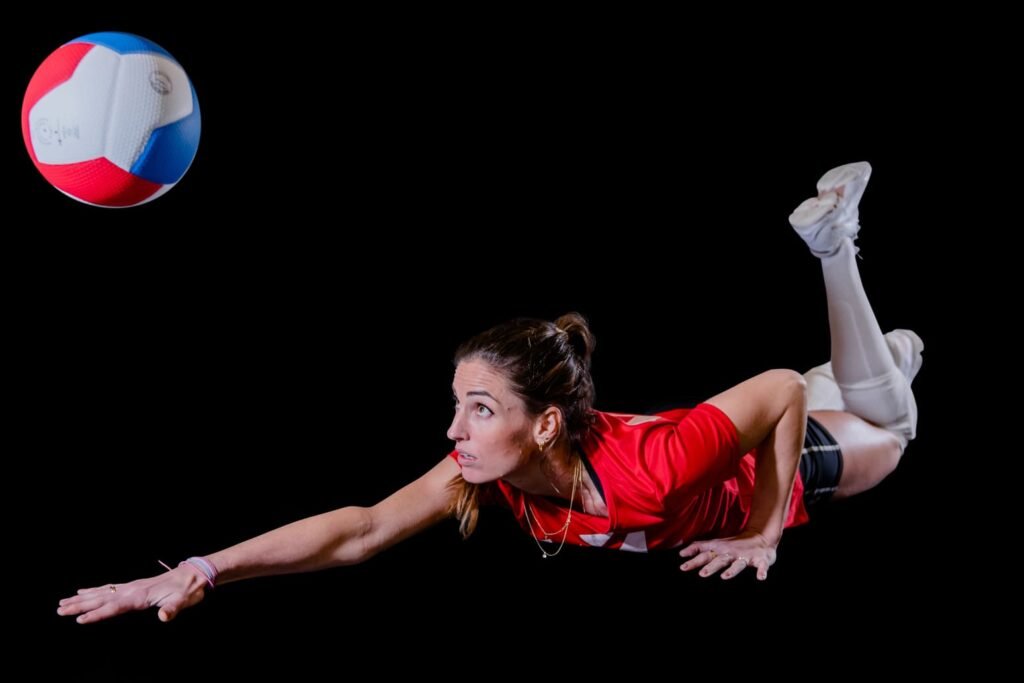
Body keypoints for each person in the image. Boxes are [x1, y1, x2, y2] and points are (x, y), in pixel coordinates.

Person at [57, 161, 922, 624]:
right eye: (460, 401)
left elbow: (772, 393)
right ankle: (888, 351)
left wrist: (764, 530)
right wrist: (205, 566)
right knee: (858, 374)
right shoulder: (488, 472)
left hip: (799, 461)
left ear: (545, 422)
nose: (455, 428)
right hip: (710, 436)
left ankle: (833, 249)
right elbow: (359, 530)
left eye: (480, 407)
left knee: (893, 421)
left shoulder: (648, 472)